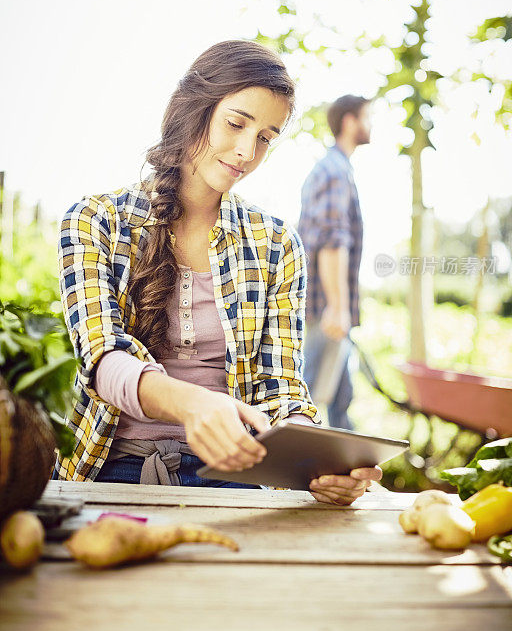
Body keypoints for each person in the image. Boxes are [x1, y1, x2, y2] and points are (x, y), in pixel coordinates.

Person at [55, 41, 381, 505]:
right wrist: (195, 405)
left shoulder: (276, 245)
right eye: (236, 123)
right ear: (195, 109)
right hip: (109, 466)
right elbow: (103, 358)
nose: (247, 151)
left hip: (236, 476)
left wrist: (314, 457)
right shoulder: (93, 220)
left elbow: (282, 386)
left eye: (266, 137)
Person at [298, 94, 371, 430]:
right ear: (349, 122)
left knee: (342, 400)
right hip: (324, 311)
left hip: (327, 309)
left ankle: (345, 475)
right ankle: (286, 478)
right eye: (367, 117)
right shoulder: (334, 171)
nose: (371, 125)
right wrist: (338, 306)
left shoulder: (338, 169)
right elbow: (332, 240)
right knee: (305, 398)